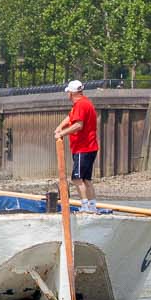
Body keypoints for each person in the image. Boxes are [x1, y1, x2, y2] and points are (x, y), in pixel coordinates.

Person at [54, 79, 100, 211]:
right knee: (86, 179)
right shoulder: (84, 103)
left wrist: (61, 133)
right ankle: (92, 207)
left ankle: (85, 207)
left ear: (71, 93)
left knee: (77, 178)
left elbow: (78, 125)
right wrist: (59, 127)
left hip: (83, 147)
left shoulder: (80, 105)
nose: (67, 94)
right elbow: (71, 118)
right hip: (90, 147)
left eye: (68, 92)